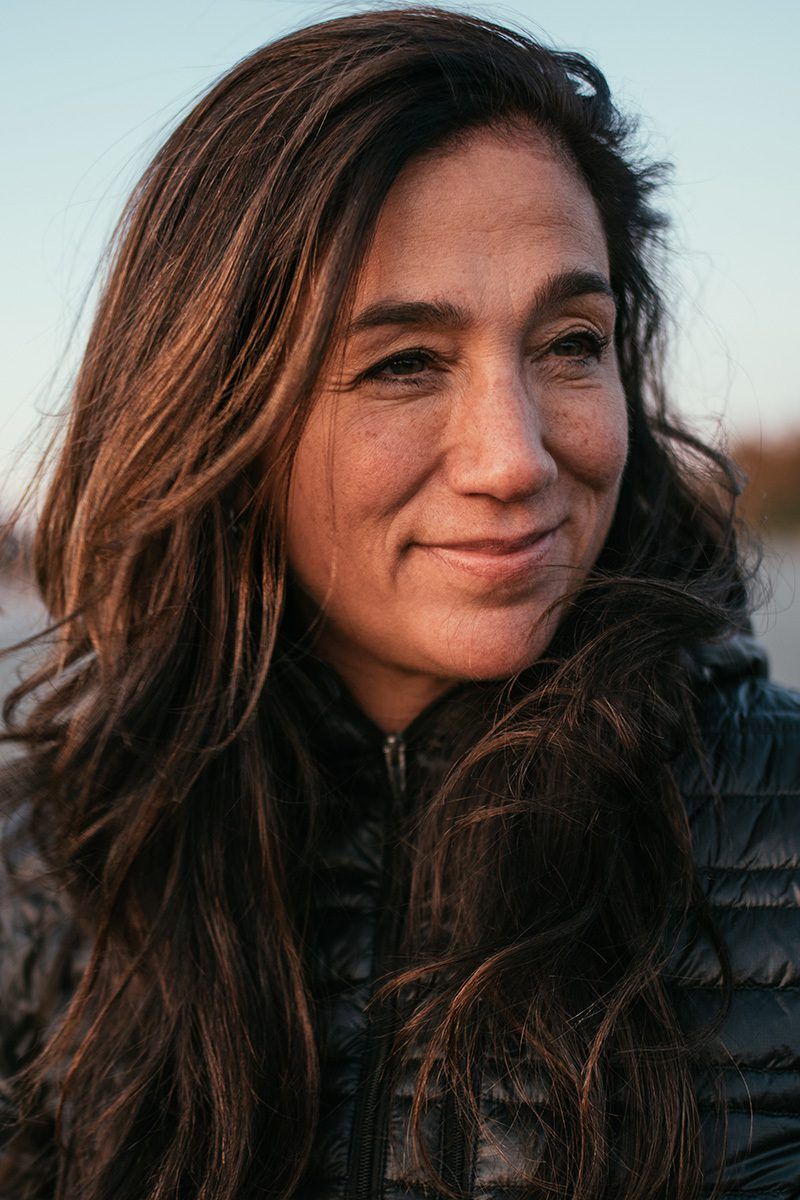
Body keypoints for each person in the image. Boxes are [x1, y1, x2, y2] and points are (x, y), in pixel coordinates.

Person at [1, 7, 799, 1199]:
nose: (514, 458)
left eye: (568, 343)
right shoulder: (58, 861)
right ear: (214, 412)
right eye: (402, 363)